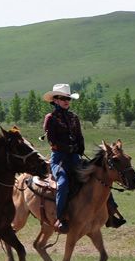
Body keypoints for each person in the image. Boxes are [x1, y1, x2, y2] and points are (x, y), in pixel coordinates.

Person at [43, 83, 125, 233]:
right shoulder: (50, 118)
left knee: (102, 174)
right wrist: (68, 148)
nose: (66, 101)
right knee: (62, 183)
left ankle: (111, 212)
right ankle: (60, 219)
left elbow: (80, 137)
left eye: (68, 98)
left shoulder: (74, 117)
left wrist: (79, 148)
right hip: (59, 160)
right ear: (55, 100)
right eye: (62, 98)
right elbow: (52, 140)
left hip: (75, 158)